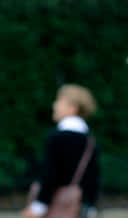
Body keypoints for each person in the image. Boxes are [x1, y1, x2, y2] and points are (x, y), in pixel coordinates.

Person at [23, 84, 100, 218]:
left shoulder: (56, 137)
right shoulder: (90, 141)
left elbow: (50, 174)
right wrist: (90, 207)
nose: (54, 105)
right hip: (78, 208)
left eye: (59, 101)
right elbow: (93, 179)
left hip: (54, 206)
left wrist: (39, 206)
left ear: (73, 108)